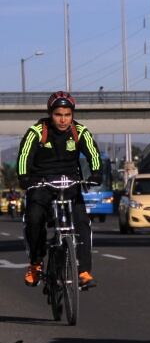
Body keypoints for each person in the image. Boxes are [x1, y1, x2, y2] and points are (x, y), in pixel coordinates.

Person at [16, 91, 102, 288]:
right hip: (41, 184)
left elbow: (93, 154)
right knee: (34, 218)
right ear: (50, 114)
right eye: (58, 114)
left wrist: (96, 174)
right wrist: (24, 178)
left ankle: (84, 272)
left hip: (70, 183)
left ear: (72, 115)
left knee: (82, 222)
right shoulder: (37, 131)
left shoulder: (80, 131)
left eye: (67, 114)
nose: (63, 119)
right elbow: (24, 157)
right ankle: (35, 265)